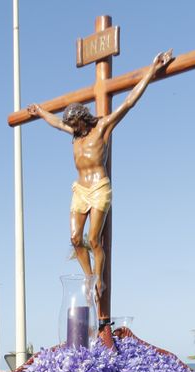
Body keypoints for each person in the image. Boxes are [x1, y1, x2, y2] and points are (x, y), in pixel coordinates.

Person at [26, 49, 175, 323]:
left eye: (76, 123)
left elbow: (129, 101)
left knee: (95, 240)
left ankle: (100, 281)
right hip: (80, 189)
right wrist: (40, 112)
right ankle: (89, 277)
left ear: (84, 118)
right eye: (71, 125)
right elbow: (55, 122)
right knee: (74, 238)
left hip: (100, 188)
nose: (73, 128)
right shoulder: (75, 133)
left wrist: (151, 70)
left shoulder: (102, 127)